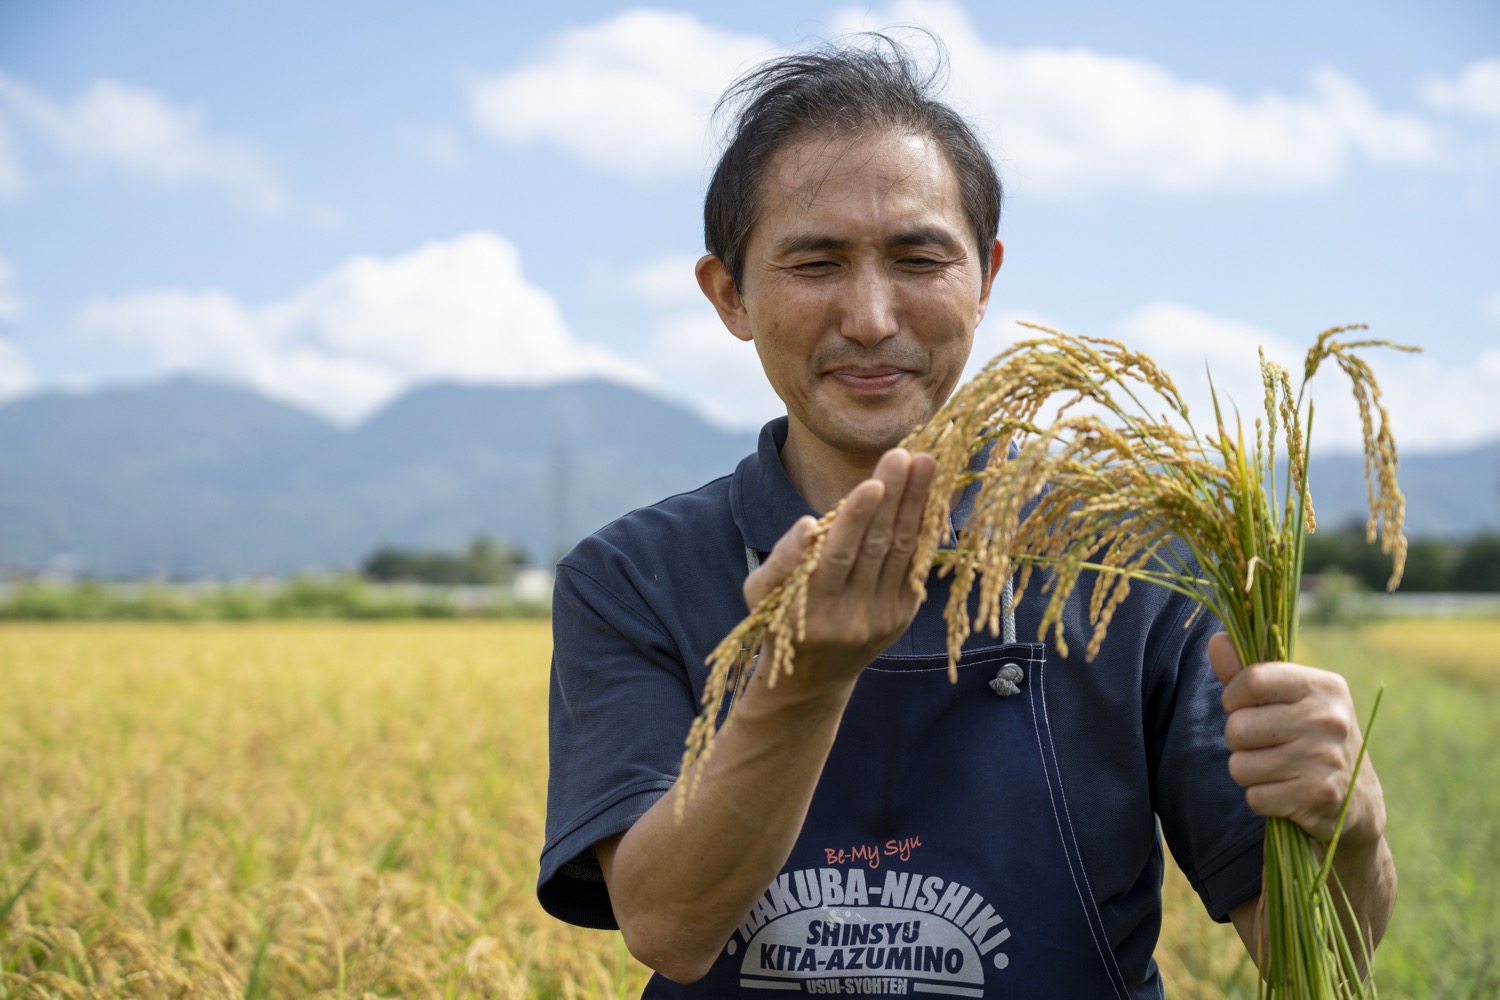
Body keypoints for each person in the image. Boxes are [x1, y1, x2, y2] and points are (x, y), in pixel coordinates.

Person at [538, 36, 1395, 998]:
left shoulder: (1135, 568)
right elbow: (668, 925)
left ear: (984, 278)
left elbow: (1315, 954)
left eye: (919, 258)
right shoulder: (636, 577)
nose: (870, 315)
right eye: (815, 263)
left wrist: (1350, 823)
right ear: (730, 293)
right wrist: (799, 680)